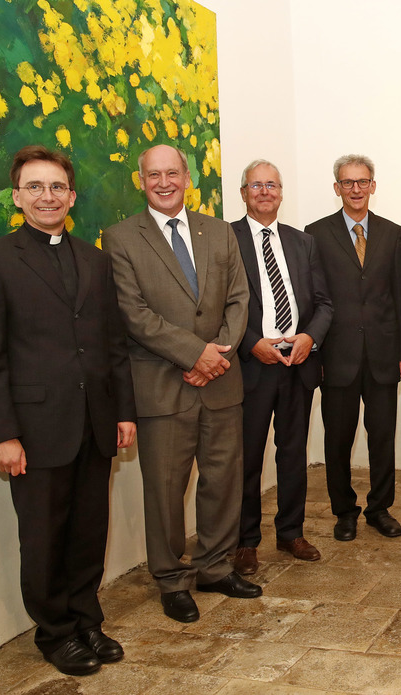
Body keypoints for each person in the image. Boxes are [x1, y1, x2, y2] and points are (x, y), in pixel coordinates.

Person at [0, 146, 136, 675]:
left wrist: (123, 412)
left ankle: (87, 620)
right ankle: (55, 632)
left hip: (95, 423)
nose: (47, 196)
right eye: (35, 187)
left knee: (89, 532)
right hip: (35, 430)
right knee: (43, 537)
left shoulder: (95, 260)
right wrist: (1, 433)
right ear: (17, 197)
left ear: (72, 196)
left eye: (57, 187)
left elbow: (112, 345)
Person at [103, 144, 261, 624]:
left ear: (187, 178)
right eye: (154, 175)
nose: (164, 182)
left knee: (223, 481)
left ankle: (215, 567)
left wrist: (217, 356)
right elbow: (133, 313)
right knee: (166, 491)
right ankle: (172, 580)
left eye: (172, 173)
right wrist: (196, 354)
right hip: (162, 387)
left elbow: (239, 299)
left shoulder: (219, 231)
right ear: (141, 181)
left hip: (221, 385)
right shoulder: (120, 238)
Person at [230, 160, 333, 573]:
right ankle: (245, 541)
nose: (264, 191)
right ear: (244, 193)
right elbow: (220, 304)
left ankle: (291, 532)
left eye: (271, 184)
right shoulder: (227, 239)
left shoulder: (302, 242)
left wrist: (310, 338)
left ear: (281, 192)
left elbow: (324, 303)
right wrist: (251, 343)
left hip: (297, 362)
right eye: (256, 185)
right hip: (252, 366)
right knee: (248, 457)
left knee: (292, 454)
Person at [305, 155, 401, 542]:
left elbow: (400, 296)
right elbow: (312, 300)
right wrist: (316, 353)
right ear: (337, 188)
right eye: (347, 182)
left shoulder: (393, 233)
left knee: (382, 437)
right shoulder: (315, 234)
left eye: (362, 182)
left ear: (373, 186)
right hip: (337, 357)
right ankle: (344, 511)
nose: (356, 189)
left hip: (383, 355)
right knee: (338, 440)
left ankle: (380, 508)